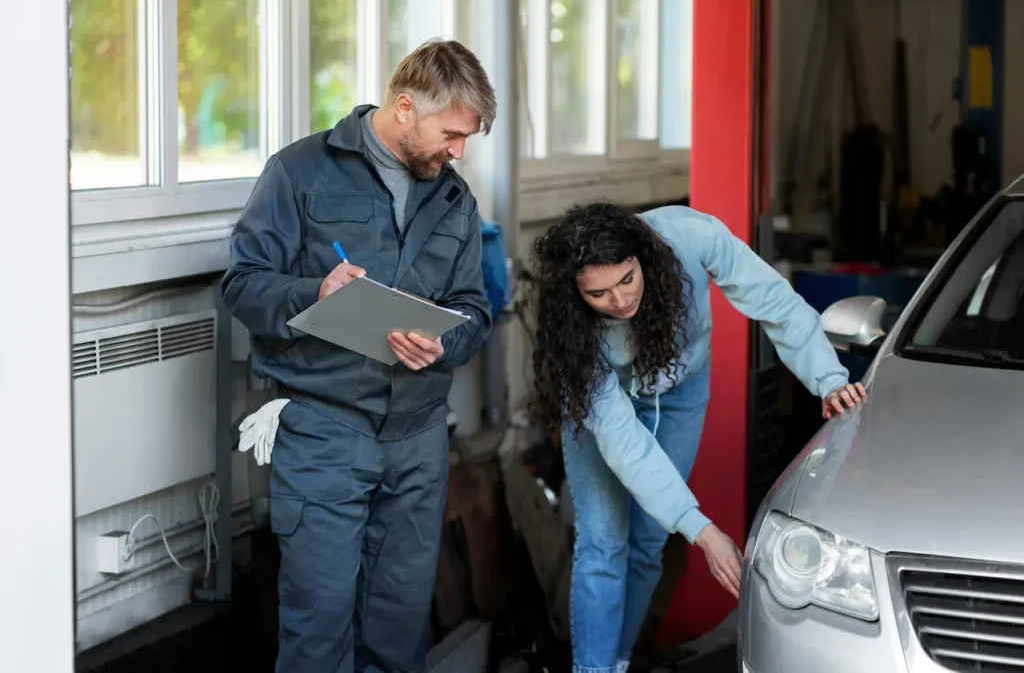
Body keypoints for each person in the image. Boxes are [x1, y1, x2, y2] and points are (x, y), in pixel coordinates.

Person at [220, 39, 496, 673]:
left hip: (420, 437)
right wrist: (313, 290)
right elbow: (242, 283)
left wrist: (443, 340)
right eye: (451, 134)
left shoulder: (454, 201)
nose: (459, 152)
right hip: (326, 429)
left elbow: (475, 310)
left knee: (399, 628)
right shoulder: (298, 172)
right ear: (405, 107)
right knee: (319, 628)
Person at [530, 201, 866, 673]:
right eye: (599, 294)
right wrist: (702, 531)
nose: (621, 300)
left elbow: (773, 300)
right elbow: (625, 445)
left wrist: (828, 379)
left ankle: (618, 661)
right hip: (604, 406)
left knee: (649, 542)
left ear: (642, 256)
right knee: (604, 541)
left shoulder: (690, 236)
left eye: (627, 279)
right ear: (575, 294)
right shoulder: (577, 348)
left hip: (680, 387)